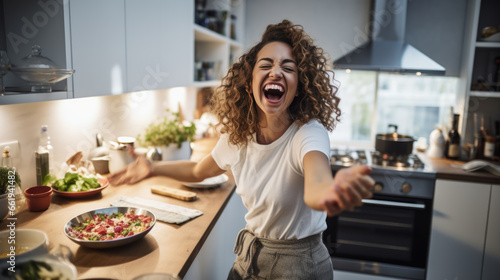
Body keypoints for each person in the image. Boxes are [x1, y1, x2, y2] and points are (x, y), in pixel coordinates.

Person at [107, 19, 374, 280]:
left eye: (288, 67)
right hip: (250, 257)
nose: (276, 72)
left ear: (299, 86)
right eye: (266, 65)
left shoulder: (308, 133)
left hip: (300, 266)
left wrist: (332, 191)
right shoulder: (239, 138)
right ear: (248, 83)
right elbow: (199, 170)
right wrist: (152, 167)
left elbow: (317, 186)